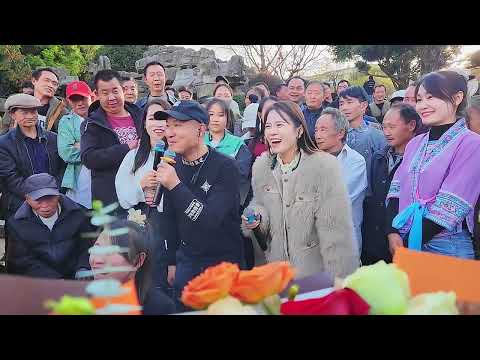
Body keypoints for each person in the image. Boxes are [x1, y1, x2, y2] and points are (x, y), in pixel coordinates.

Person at [242, 101, 358, 279]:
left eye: (280, 125)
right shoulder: (261, 166)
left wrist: (339, 281)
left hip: (315, 276)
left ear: (299, 130)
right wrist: (257, 216)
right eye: (268, 126)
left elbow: (336, 232)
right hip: (276, 274)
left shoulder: (324, 166)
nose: (272, 131)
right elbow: (259, 203)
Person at [154, 100, 244, 311]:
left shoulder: (225, 167)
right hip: (186, 262)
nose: (170, 133)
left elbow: (210, 220)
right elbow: (168, 217)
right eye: (168, 126)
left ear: (200, 129)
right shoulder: (172, 163)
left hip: (222, 266)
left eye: (177, 125)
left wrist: (175, 185)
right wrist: (171, 261)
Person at [386, 71, 480, 260]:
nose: (423, 105)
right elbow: (396, 189)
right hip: (407, 239)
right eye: (419, 99)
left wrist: (407, 242)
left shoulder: (471, 143)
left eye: (431, 97)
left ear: (457, 98)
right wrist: (392, 231)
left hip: (446, 246)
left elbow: (450, 207)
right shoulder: (415, 142)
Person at [115, 98, 173, 295]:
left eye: (162, 118)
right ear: (144, 123)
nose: (158, 124)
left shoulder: (179, 155)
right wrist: (141, 186)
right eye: (152, 118)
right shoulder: (133, 157)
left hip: (169, 228)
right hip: (139, 225)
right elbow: (122, 195)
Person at [6, 173, 93, 279]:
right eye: (38, 200)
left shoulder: (78, 214)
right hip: (39, 281)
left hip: (74, 278)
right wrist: (53, 279)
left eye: (50, 198)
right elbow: (22, 261)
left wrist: (83, 267)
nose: (45, 206)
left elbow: (87, 247)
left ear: (58, 195)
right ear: (27, 199)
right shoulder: (16, 224)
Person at [362, 103, 419, 265]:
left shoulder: (420, 160)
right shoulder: (378, 158)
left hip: (405, 242)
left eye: (392, 127)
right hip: (375, 243)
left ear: (411, 125)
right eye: (384, 127)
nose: (386, 132)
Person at [81, 70, 143, 212]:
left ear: (123, 89)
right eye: (105, 93)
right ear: (96, 95)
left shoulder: (141, 115)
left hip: (142, 193)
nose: (111, 97)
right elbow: (88, 158)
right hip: (110, 199)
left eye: (115, 91)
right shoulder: (91, 124)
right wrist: (126, 148)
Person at [89, 218, 176, 315]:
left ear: (138, 260)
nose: (97, 260)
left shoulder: (160, 308)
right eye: (97, 247)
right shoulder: (80, 301)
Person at [0, 94, 65, 218]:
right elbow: (12, 178)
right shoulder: (4, 144)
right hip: (20, 205)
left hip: (53, 202)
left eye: (33, 111)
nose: (30, 116)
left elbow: (63, 169)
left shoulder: (53, 139)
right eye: (24, 112)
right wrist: (36, 198)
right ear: (13, 115)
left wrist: (52, 195)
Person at [314, 107, 367, 253]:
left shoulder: (355, 161)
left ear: (340, 133)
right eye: (316, 130)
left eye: (323, 129)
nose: (318, 135)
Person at [339, 86, 387, 195]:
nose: (344, 108)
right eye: (341, 104)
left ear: (363, 105)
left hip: (369, 197)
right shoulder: (335, 135)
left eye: (349, 102)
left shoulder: (377, 135)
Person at [204, 98, 252, 207]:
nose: (215, 119)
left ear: (228, 118)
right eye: (211, 114)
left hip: (227, 201)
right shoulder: (197, 141)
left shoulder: (238, 144)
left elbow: (241, 173)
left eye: (221, 115)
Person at [58, 81, 94, 209]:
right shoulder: (66, 121)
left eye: (83, 98)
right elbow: (66, 153)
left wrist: (80, 145)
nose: (80, 103)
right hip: (77, 179)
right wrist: (95, 151)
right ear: (68, 101)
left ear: (92, 97)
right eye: (75, 99)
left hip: (102, 177)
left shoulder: (100, 118)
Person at [1, 68, 67, 134]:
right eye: (46, 80)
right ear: (34, 81)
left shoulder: (60, 110)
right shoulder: (16, 102)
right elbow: (4, 129)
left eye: (54, 84)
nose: (50, 85)